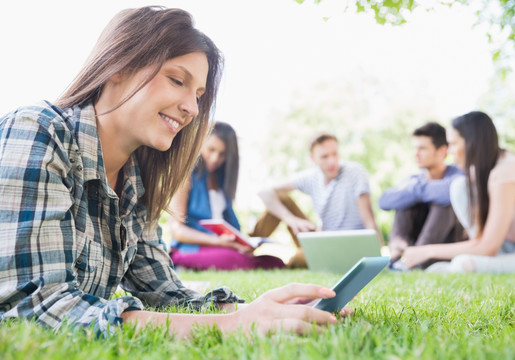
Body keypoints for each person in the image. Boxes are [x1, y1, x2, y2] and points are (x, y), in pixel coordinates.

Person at [0, 6, 348, 339]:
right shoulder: (37, 132)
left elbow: (164, 291)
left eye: (198, 94)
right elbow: (38, 307)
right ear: (117, 66)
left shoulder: (136, 179)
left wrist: (260, 309)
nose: (192, 109)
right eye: (177, 80)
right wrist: (234, 326)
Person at [401, 111, 515, 274]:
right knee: (459, 186)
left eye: (453, 144)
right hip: (508, 246)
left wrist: (426, 251)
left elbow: (488, 246)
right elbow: (483, 241)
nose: (449, 151)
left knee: (463, 264)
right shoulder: (482, 172)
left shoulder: (506, 172)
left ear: (471, 143)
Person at [168, 121, 285, 270]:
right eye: (211, 150)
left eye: (222, 154)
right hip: (189, 249)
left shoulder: (222, 181)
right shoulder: (185, 176)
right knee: (236, 260)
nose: (215, 158)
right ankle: (183, 264)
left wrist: (241, 243)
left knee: (275, 262)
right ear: (200, 143)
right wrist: (218, 242)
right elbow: (176, 230)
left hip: (221, 248)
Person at [256, 133, 383, 268]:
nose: (332, 161)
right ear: (313, 158)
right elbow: (264, 192)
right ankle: (247, 246)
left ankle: (295, 259)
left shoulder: (354, 172)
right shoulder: (311, 177)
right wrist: (290, 219)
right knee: (280, 198)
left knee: (297, 260)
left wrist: (378, 256)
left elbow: (369, 220)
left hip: (349, 245)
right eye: (324, 157)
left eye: (335, 154)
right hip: (324, 239)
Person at [378, 122, 464, 265]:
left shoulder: (457, 175)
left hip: (448, 244)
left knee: (443, 201)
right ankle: (396, 254)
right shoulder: (414, 179)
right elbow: (384, 201)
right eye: (415, 148)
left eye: (422, 148)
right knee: (404, 202)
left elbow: (446, 193)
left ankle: (418, 258)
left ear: (442, 151)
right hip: (412, 242)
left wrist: (415, 189)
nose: (416, 154)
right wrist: (416, 191)